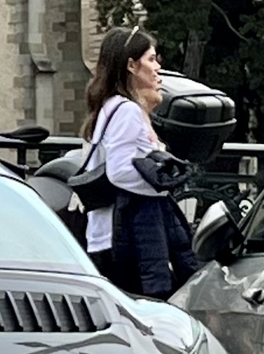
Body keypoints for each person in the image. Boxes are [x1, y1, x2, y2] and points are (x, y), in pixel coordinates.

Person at [82, 26, 196, 297]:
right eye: (151, 59)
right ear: (131, 65)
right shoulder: (127, 111)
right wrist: (163, 183)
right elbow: (119, 171)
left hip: (110, 233)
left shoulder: (112, 107)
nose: (158, 67)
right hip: (126, 237)